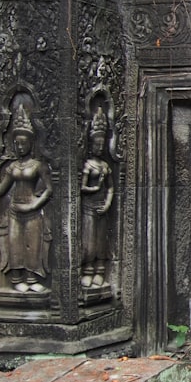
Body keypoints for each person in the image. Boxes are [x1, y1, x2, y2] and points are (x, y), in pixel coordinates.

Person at [0, 105, 52, 293]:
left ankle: (31, 277)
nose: (20, 147)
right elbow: (1, 190)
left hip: (32, 211)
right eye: (17, 143)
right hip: (14, 211)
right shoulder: (12, 167)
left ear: (31, 143)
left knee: (33, 245)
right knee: (15, 245)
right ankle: (17, 277)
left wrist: (36, 203)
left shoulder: (38, 165)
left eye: (23, 143)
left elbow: (49, 189)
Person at [80, 107, 113, 288]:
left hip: (102, 209)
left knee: (102, 242)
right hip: (89, 208)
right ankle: (88, 270)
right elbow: (82, 188)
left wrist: (108, 203)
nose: (99, 148)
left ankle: (100, 270)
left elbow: (111, 188)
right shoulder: (88, 165)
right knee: (89, 242)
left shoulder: (105, 166)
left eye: (102, 145)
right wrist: (96, 187)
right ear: (91, 144)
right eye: (96, 144)